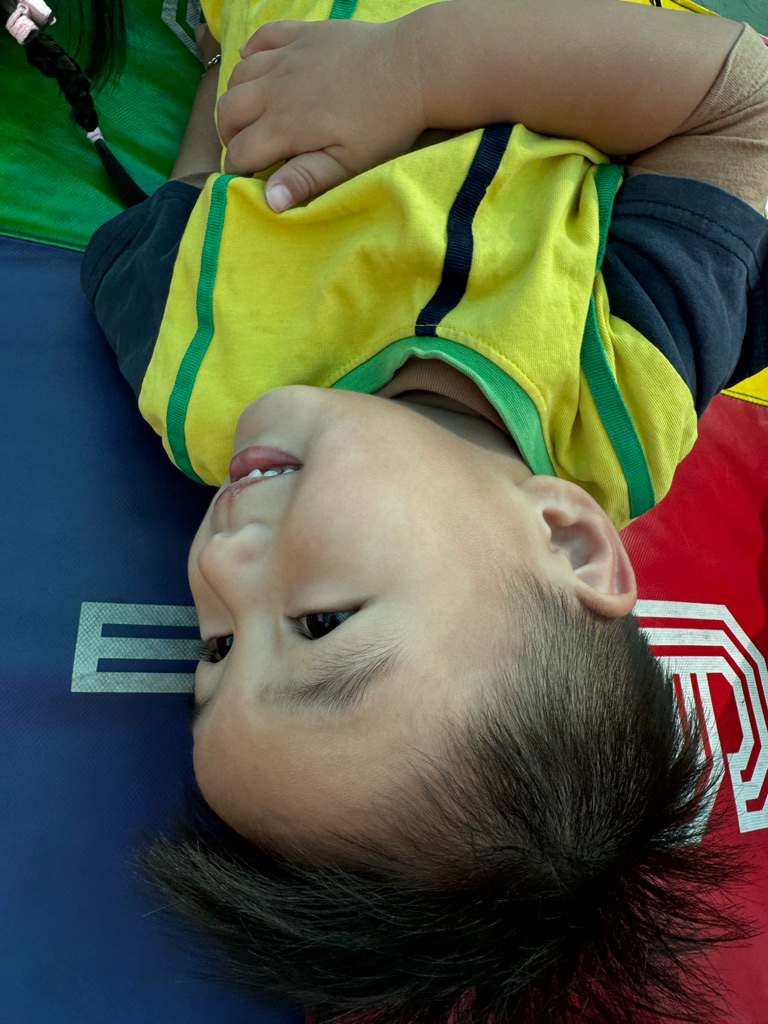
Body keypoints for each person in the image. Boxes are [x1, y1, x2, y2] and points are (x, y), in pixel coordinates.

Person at [25, 0, 768, 1019]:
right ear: (568, 541)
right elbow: (741, 105)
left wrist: (227, 64)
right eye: (318, 623)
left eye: (218, 650)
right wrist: (411, 69)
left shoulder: (193, 386)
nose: (220, 569)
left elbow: (180, 208)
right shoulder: (628, 381)